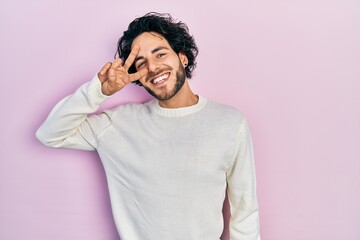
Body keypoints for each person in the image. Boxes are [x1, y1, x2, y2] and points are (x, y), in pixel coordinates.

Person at [36, 12, 261, 240]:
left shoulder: (230, 122)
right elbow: (50, 134)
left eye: (160, 54)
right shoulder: (118, 124)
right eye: (141, 63)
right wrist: (99, 91)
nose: (153, 68)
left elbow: (245, 211)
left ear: (182, 57)